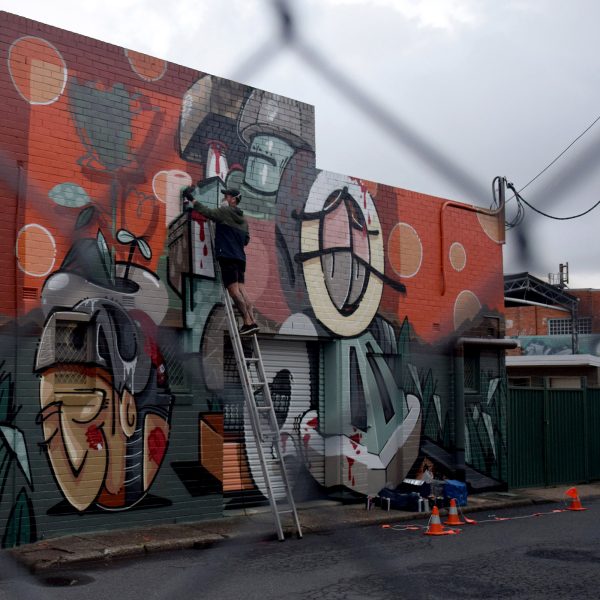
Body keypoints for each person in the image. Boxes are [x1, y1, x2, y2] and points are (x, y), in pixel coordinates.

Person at [182, 185, 259, 335]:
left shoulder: (225, 211)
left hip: (227, 256)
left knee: (233, 291)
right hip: (240, 258)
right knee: (242, 289)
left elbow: (207, 212)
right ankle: (253, 321)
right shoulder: (244, 220)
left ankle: (247, 322)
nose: (224, 198)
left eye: (226, 196)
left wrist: (191, 198)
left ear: (233, 199)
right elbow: (246, 240)